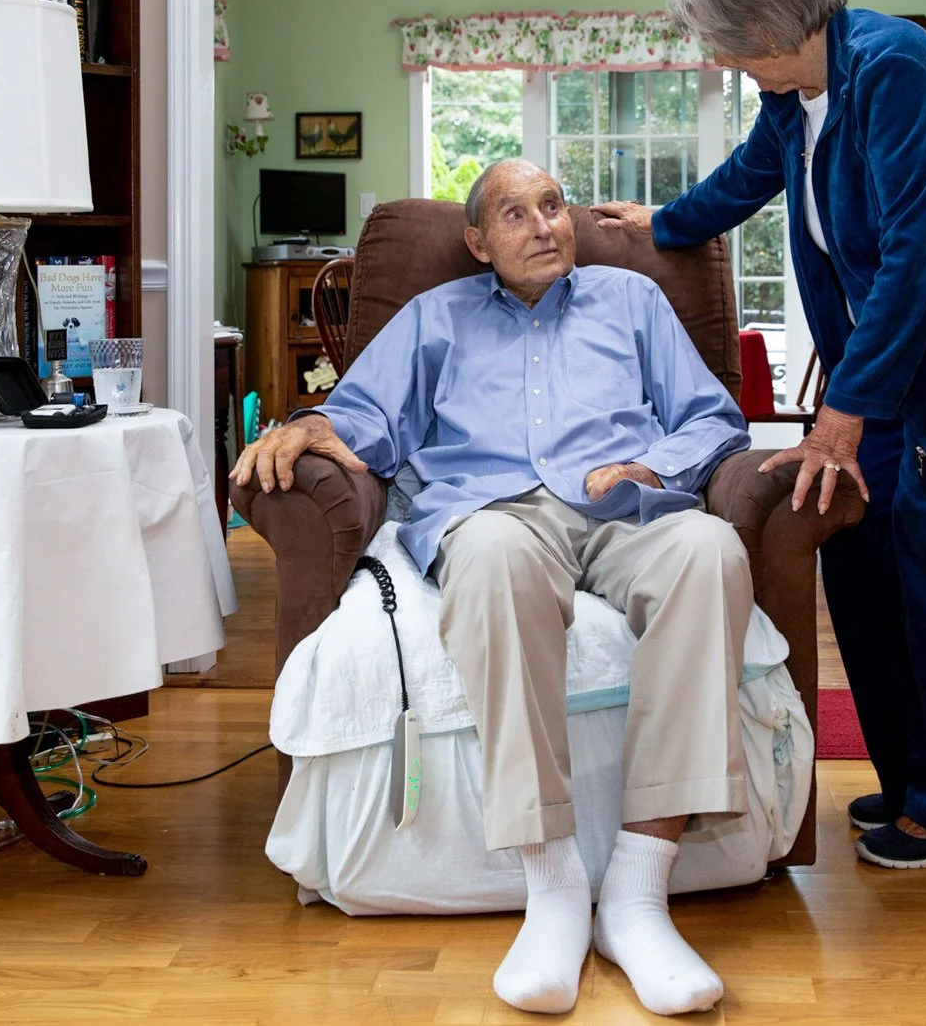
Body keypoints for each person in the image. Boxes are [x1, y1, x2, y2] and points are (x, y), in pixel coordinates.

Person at [594, 0, 926, 870]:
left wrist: (842, 414)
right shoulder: (793, 95)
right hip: (898, 354)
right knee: (856, 544)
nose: (724, 60)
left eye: (728, 43)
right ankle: (911, 783)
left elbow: (915, 258)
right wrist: (665, 222)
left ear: (774, 27)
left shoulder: (900, 73)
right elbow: (746, 181)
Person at [233, 160, 753, 1016]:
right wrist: (309, 425)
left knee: (711, 553)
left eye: (552, 205)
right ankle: (551, 885)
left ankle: (637, 890)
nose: (544, 225)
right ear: (478, 242)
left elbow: (711, 416)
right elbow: (366, 416)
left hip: (626, 505)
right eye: (515, 214)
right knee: (496, 565)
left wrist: (651, 464)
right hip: (498, 509)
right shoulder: (434, 317)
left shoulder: (633, 302)